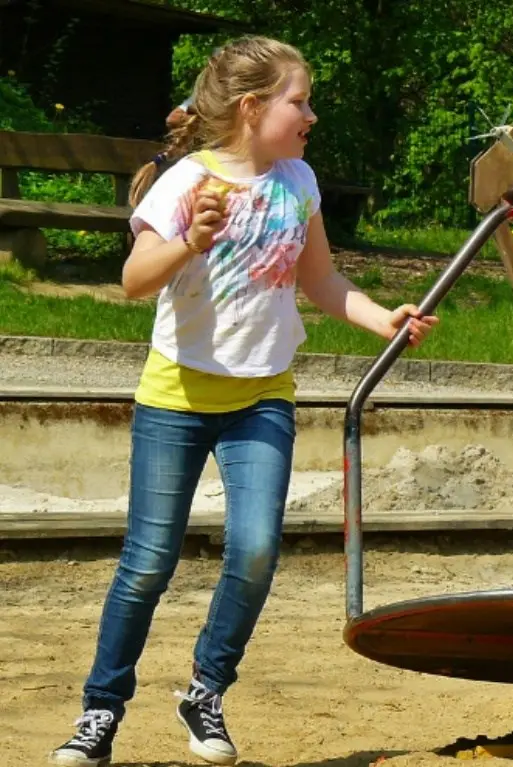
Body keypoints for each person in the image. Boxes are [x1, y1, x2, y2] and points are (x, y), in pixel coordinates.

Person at [49, 36, 437, 767]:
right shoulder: (186, 181)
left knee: (256, 548)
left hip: (262, 396)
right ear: (254, 107)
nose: (311, 114)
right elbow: (134, 280)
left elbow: (321, 281)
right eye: (300, 101)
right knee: (148, 562)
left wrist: (383, 317)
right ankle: (100, 709)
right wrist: (190, 240)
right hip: (175, 396)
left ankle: (206, 688)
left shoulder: (300, 182)